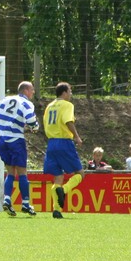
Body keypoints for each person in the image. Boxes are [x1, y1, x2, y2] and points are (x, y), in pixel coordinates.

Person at [0, 81, 39, 217]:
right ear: (26, 90)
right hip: (16, 140)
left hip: (2, 140)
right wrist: (35, 127)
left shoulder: (6, 99)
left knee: (10, 172)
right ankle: (25, 204)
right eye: (32, 90)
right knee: (22, 172)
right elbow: (31, 119)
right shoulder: (26, 103)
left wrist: (4, 124)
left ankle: (7, 199)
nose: (33, 92)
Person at [42, 82, 84, 219]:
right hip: (64, 142)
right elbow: (68, 121)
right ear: (64, 92)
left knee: (58, 176)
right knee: (80, 173)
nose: (71, 94)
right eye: (70, 91)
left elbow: (46, 125)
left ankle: (56, 210)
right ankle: (64, 190)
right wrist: (77, 137)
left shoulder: (49, 106)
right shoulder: (67, 105)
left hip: (51, 143)